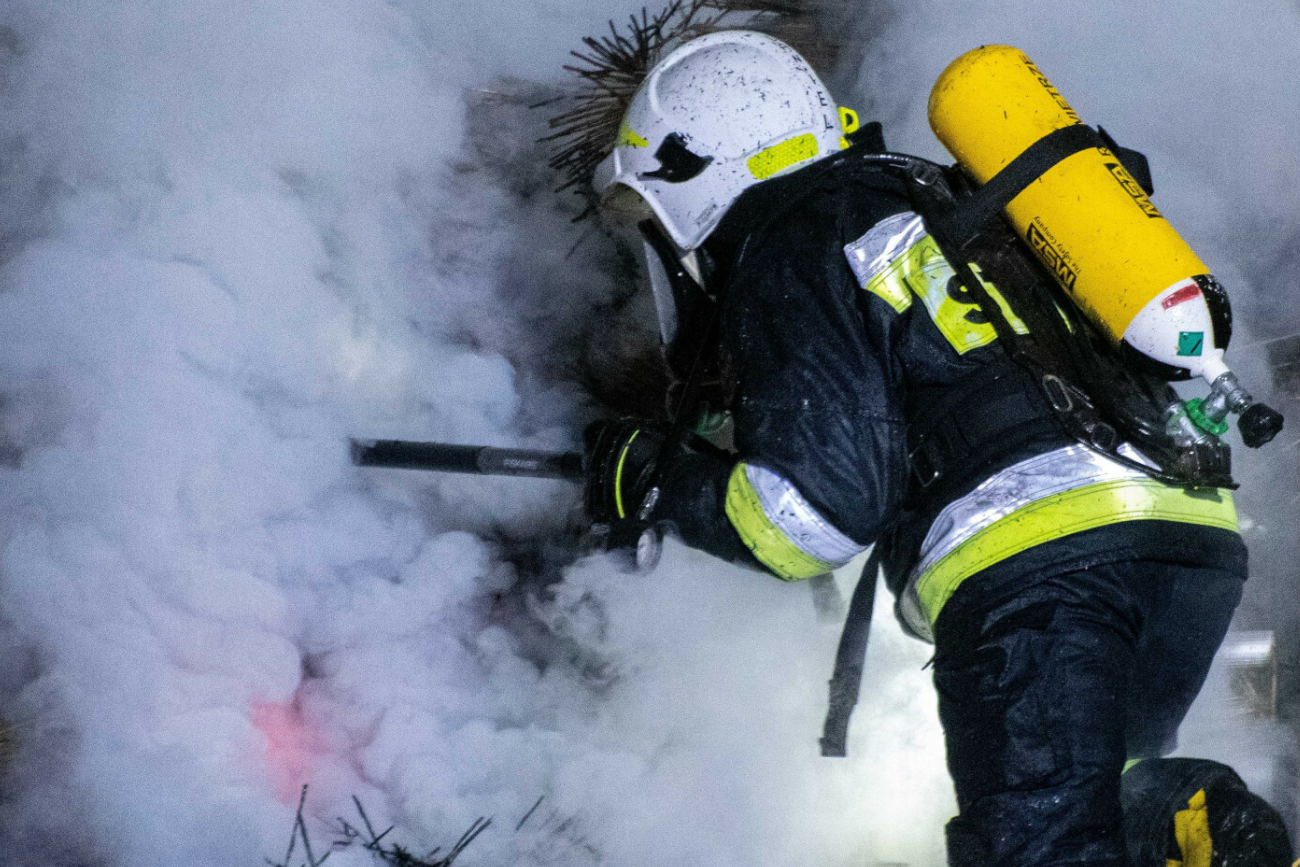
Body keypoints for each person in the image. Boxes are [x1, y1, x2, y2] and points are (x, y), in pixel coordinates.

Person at [571, 28, 1292, 867]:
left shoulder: (793, 239)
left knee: (1038, 845)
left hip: (1041, 562)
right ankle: (1200, 818)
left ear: (693, 172)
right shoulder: (926, 197)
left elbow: (805, 520)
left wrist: (656, 479)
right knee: (1097, 791)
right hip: (1181, 536)